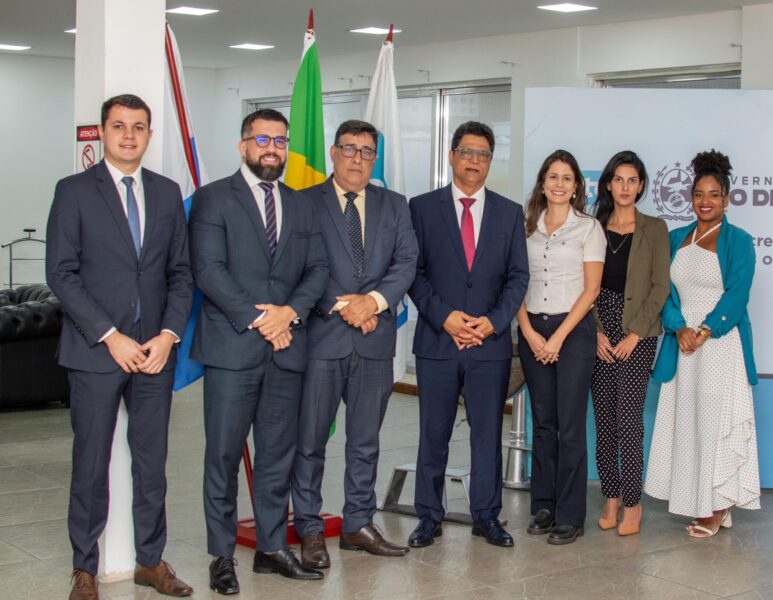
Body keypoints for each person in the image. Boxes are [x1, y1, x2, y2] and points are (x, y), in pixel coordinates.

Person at [46, 94, 195, 600]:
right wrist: (110, 336)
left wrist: (168, 335)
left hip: (154, 353)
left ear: (150, 134)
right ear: (103, 133)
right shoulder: (73, 191)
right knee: (90, 464)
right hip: (96, 352)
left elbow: (181, 273)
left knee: (152, 464)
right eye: (118, 126)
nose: (129, 135)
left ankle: (150, 562)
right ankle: (83, 568)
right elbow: (61, 274)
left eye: (138, 127)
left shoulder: (168, 191)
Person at [189, 108, 329, 594]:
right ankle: (221, 556)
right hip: (234, 349)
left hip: (286, 349)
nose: (273, 148)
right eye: (263, 139)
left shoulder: (303, 203)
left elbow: (317, 271)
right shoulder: (212, 200)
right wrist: (262, 319)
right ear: (243, 145)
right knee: (223, 458)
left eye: (281, 140)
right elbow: (209, 272)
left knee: (277, 456)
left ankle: (271, 548)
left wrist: (288, 314)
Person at [291, 119, 418, 568]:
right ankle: (307, 527)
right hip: (321, 341)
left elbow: (406, 262)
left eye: (367, 151)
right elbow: (299, 266)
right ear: (333, 152)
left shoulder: (395, 205)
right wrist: (348, 307)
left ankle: (357, 524)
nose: (358, 159)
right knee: (309, 441)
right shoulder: (305, 203)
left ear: (375, 158)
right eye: (350, 149)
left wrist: (375, 303)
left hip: (374, 342)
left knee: (365, 441)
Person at [408, 121, 529, 548]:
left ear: (490, 162)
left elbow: (518, 278)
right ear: (451, 156)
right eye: (466, 151)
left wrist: (493, 322)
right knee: (433, 433)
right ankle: (428, 516)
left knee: (486, 435)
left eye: (482, 154)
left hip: (489, 344)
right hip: (438, 340)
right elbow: (413, 273)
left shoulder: (510, 212)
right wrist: (447, 319)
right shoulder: (421, 208)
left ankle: (486, 516)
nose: (474, 161)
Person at [645, 150, 760, 538]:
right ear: (690, 198)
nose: (705, 201)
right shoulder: (676, 238)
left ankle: (718, 506)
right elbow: (664, 292)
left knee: (715, 424)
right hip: (684, 347)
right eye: (698, 194)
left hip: (720, 346)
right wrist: (679, 329)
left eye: (713, 194)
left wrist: (705, 331)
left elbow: (737, 294)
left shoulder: (739, 241)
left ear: (726, 199)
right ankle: (700, 500)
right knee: (689, 425)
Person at [517, 149, 605, 545]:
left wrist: (556, 337)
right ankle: (544, 505)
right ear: (542, 182)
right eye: (552, 176)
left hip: (573, 332)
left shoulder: (588, 228)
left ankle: (570, 514)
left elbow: (592, 290)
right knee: (543, 422)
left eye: (566, 178)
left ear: (576, 187)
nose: (558, 184)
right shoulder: (525, 225)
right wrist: (530, 332)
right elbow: (514, 282)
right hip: (532, 326)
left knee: (570, 426)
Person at [590, 151, 670, 536]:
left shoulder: (655, 228)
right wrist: (597, 332)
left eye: (632, 180)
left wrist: (635, 334)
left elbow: (660, 286)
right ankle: (611, 495)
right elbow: (582, 285)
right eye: (618, 179)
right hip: (598, 327)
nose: (625, 187)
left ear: (641, 186)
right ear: (608, 184)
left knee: (629, 420)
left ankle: (633, 502)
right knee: (603, 419)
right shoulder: (592, 226)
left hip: (638, 330)